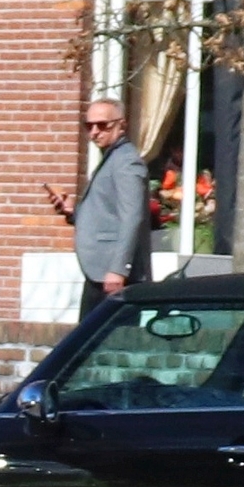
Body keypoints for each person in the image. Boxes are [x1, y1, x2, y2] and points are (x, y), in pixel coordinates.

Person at [45, 99, 150, 321]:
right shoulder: (111, 159)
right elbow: (108, 213)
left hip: (113, 276)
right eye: (89, 126)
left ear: (122, 125)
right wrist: (73, 212)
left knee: (111, 345)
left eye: (103, 125)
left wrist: (119, 269)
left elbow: (132, 217)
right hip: (99, 273)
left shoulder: (127, 162)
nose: (94, 132)